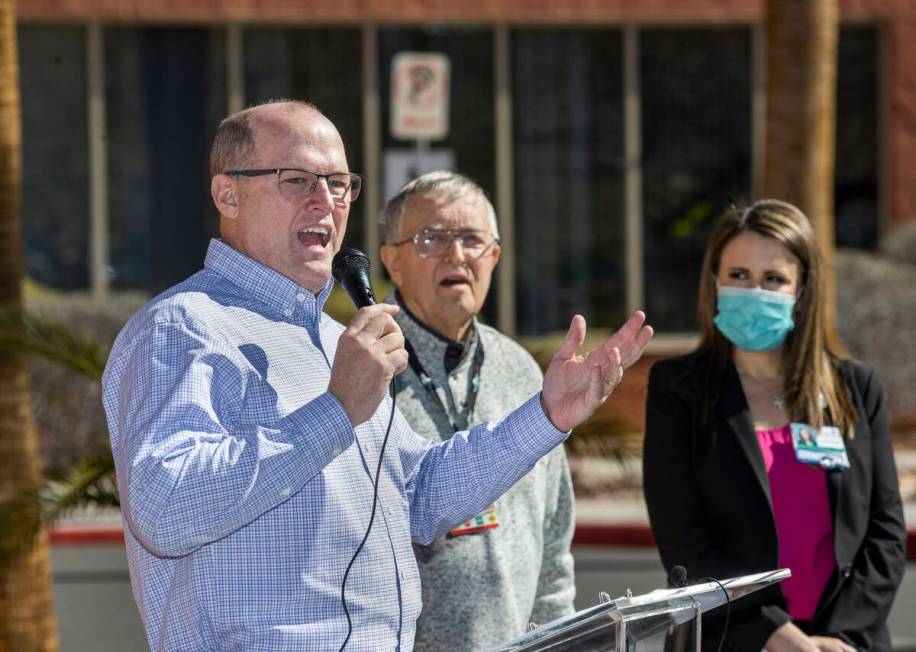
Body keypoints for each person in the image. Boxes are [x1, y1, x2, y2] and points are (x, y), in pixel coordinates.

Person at [101, 100, 654, 651]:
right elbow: (165, 508)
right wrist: (336, 409)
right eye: (298, 180)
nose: (327, 201)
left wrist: (547, 415)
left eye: (340, 184)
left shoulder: (330, 338)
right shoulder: (181, 328)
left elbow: (419, 494)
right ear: (228, 194)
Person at [643, 199, 906, 651]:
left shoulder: (856, 388)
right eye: (739, 276)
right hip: (732, 640)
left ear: (801, 290)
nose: (754, 291)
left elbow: (885, 533)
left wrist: (835, 639)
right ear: (714, 282)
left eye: (774, 279)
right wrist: (778, 637)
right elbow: (684, 541)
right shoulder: (678, 391)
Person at [379, 171, 576, 650]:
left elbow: (554, 536)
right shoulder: (362, 370)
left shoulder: (523, 370)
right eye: (432, 238)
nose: (457, 254)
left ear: (494, 257)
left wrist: (560, 637)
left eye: (472, 239)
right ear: (392, 262)